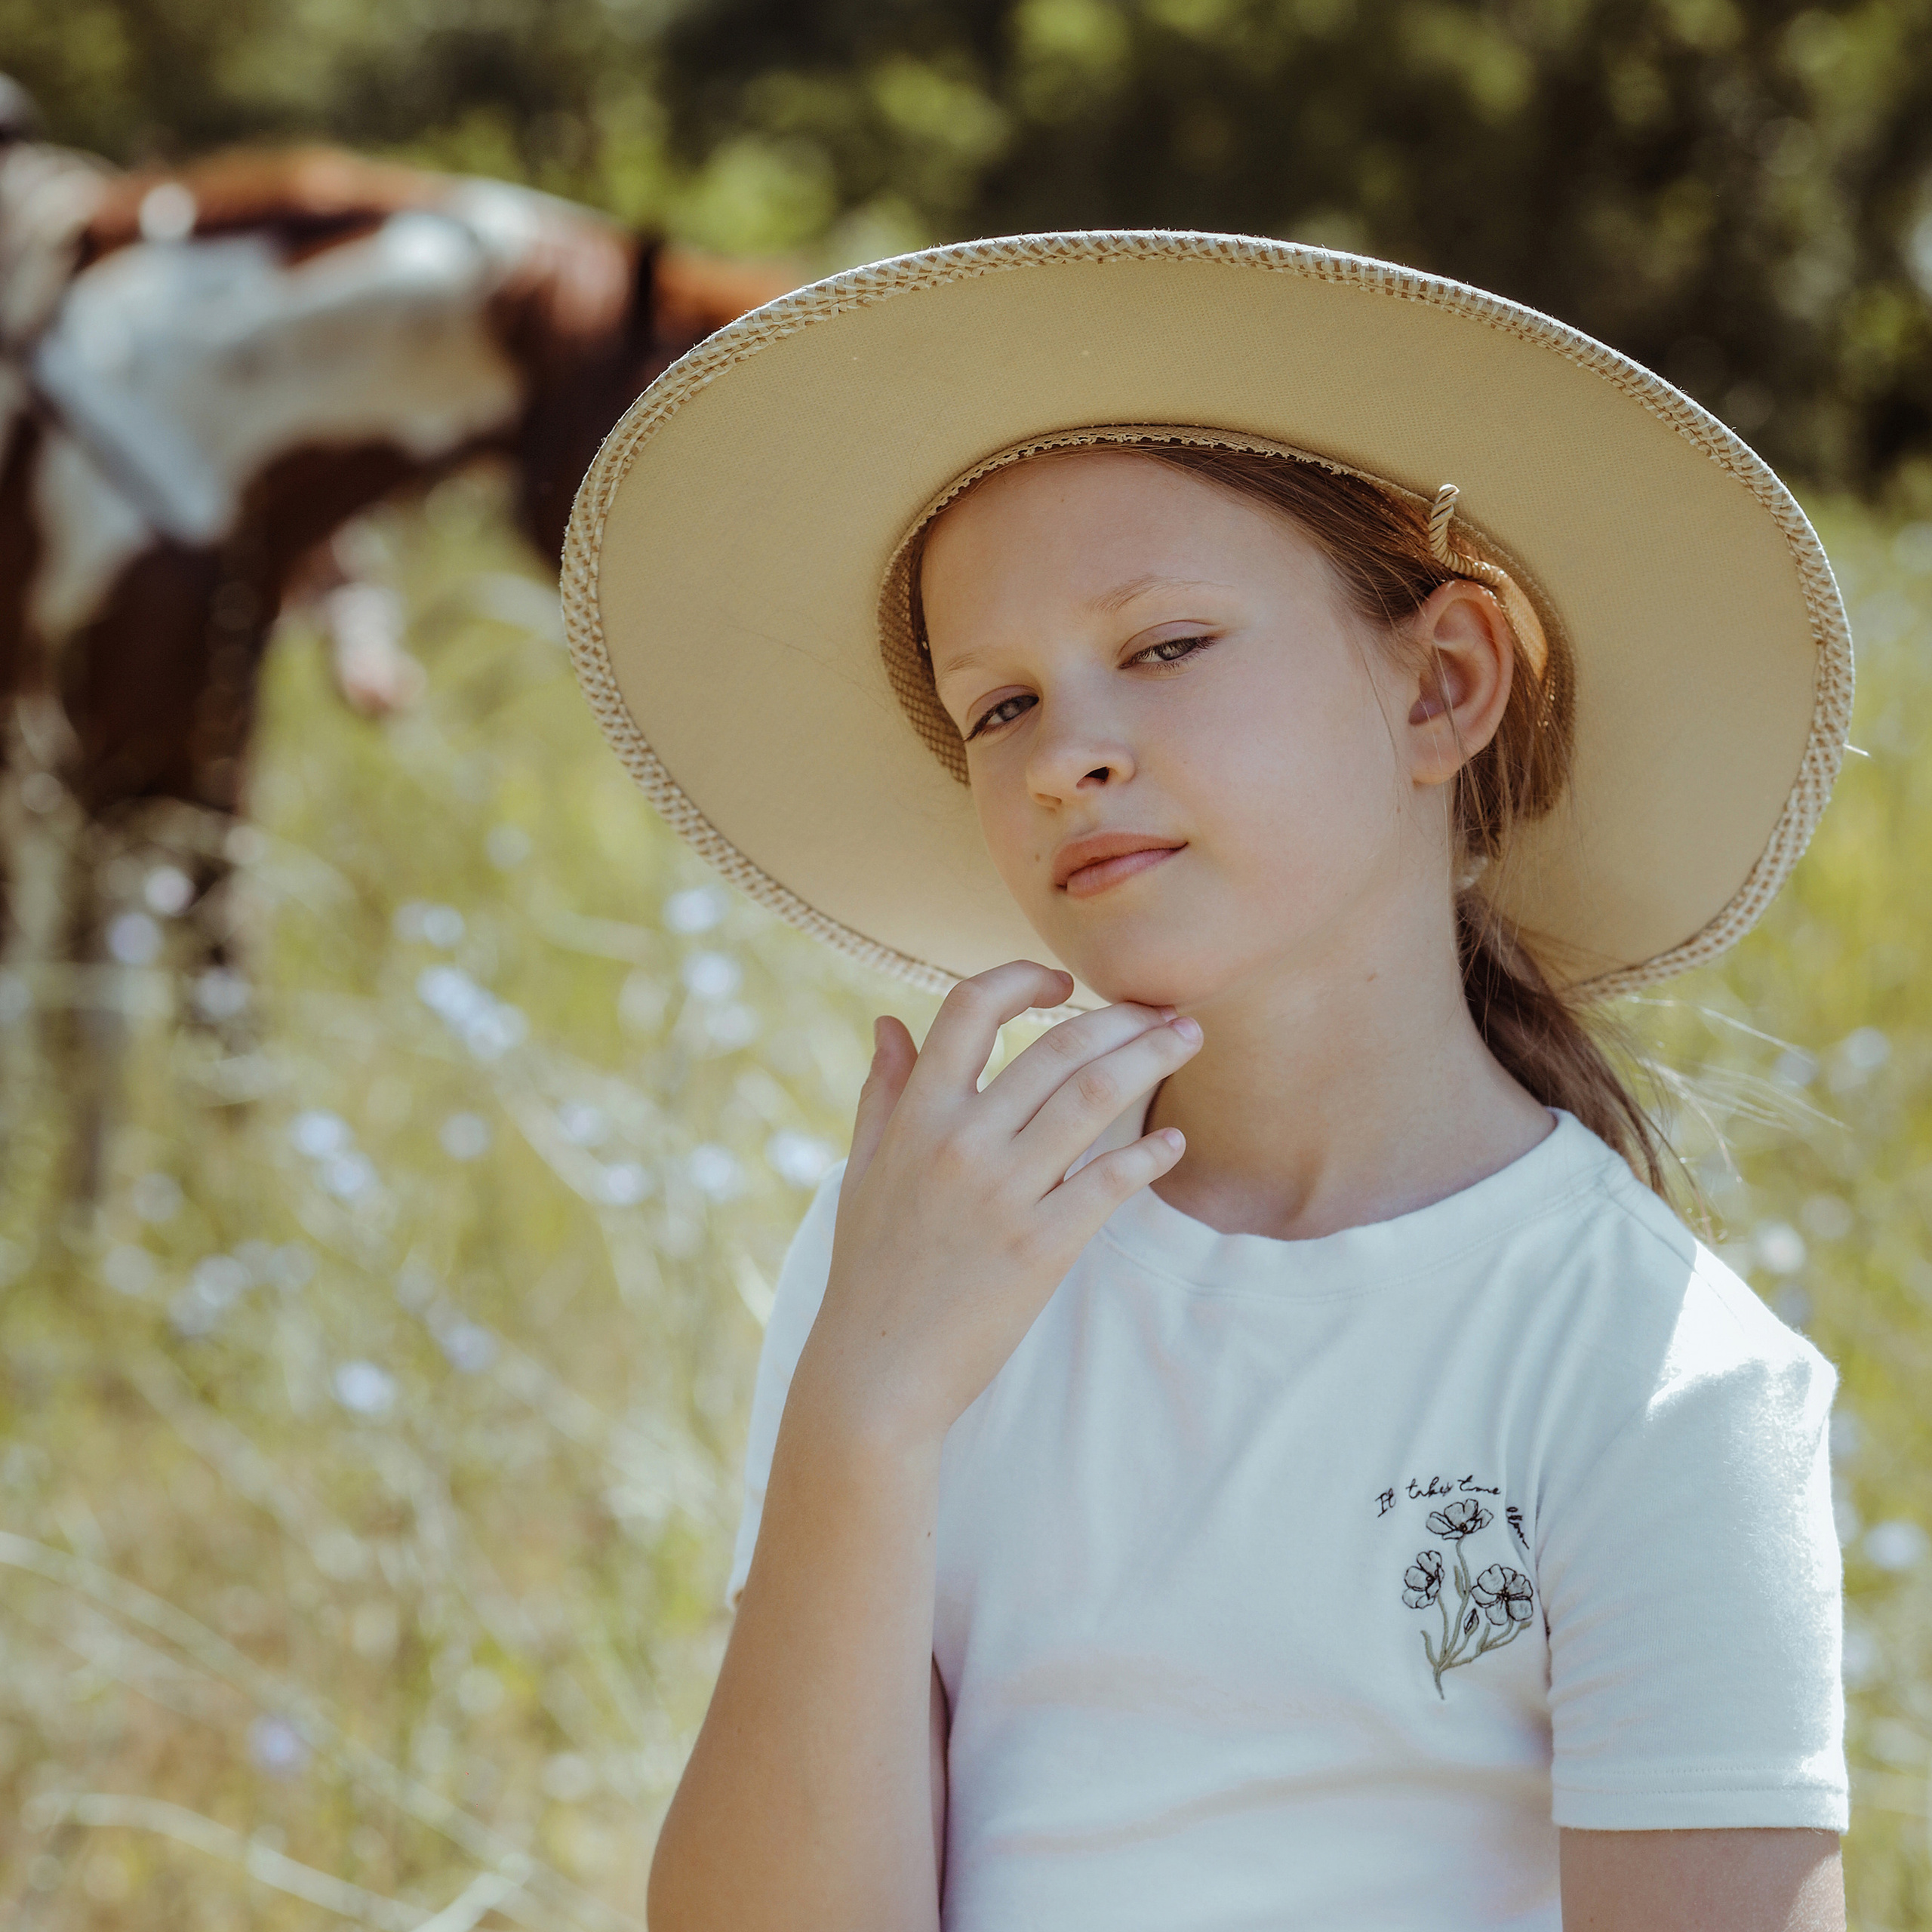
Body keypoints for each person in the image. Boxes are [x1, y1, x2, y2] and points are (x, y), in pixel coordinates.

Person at [561, 234, 1854, 1930]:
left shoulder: (1657, 1381)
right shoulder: (931, 1259)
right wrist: (860, 1416)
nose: (1062, 754)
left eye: (1163, 646)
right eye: (997, 702)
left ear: (1438, 683)